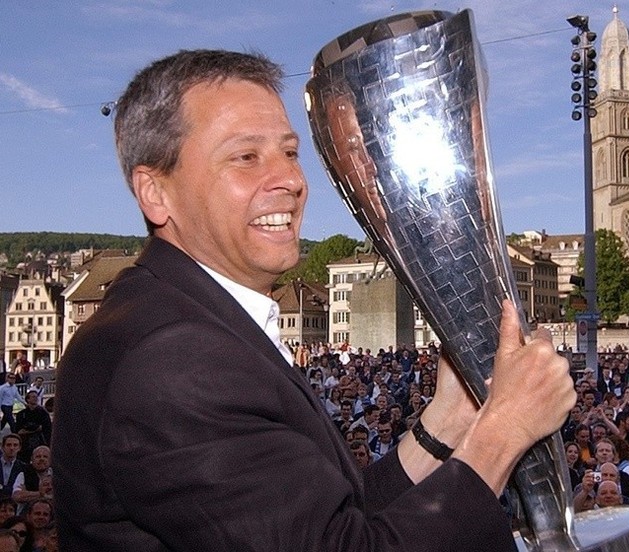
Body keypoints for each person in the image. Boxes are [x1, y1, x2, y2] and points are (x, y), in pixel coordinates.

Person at [52, 49, 576, 551]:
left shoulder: (186, 319)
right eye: (245, 157)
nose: (291, 180)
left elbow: (328, 524)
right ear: (155, 192)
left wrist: (449, 425)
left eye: (289, 152)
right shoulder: (174, 355)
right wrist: (505, 430)